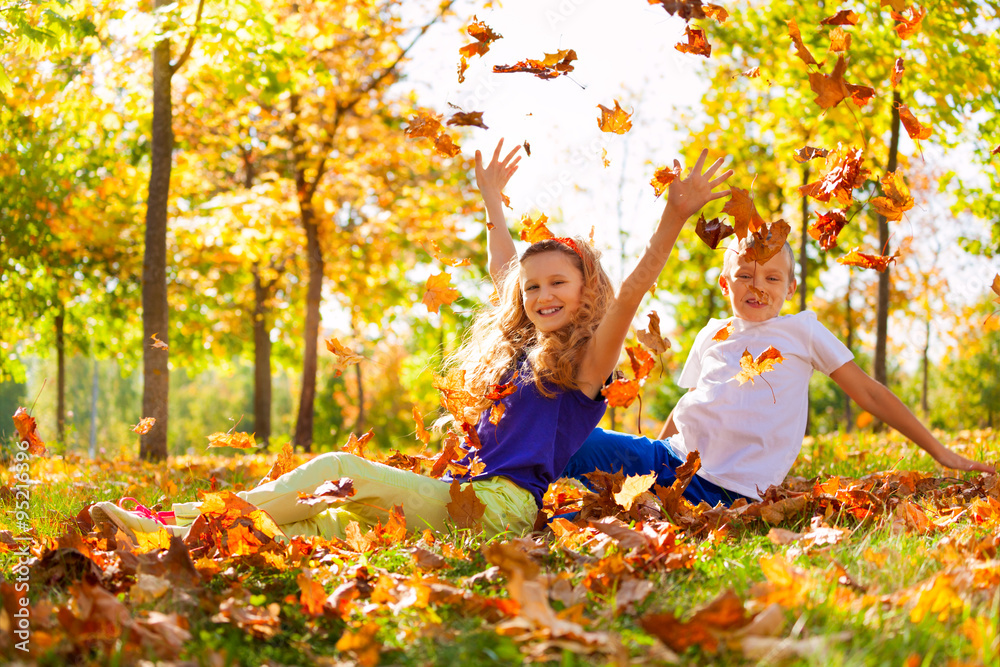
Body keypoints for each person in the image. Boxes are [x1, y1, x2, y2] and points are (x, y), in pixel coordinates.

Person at [89, 138, 734, 542]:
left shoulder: (586, 367)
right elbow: (503, 269)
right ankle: (168, 530)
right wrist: (492, 203)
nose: (541, 296)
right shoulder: (519, 345)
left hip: (498, 508)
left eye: (557, 284)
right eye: (533, 288)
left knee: (340, 469)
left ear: (584, 289)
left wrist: (672, 218)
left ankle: (179, 520)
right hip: (462, 493)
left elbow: (631, 295)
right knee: (326, 517)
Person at [562, 236, 996, 506]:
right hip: (672, 464)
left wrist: (941, 451)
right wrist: (653, 468)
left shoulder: (802, 331)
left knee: (573, 451)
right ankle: (516, 484)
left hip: (729, 488)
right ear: (725, 284)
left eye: (772, 278)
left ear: (790, 287)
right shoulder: (712, 333)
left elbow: (871, 394)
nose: (758, 286)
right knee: (572, 443)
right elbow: (690, 402)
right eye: (746, 275)